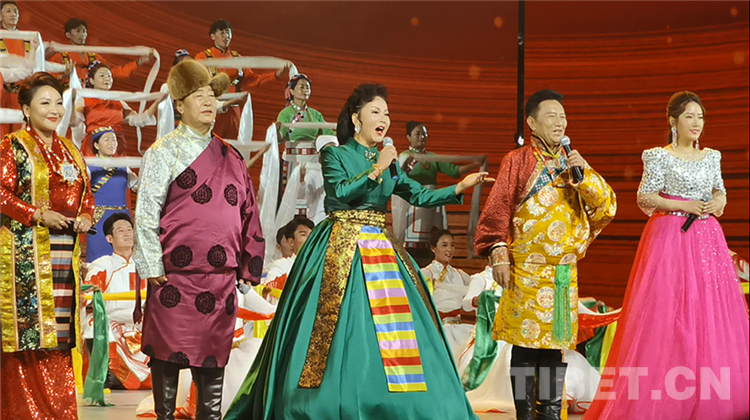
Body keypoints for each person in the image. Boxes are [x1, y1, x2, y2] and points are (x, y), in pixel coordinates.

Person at [224, 83, 492, 420]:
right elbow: (341, 192)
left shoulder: (389, 161)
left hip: (381, 248)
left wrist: (458, 187)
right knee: (334, 326)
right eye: (375, 112)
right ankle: (320, 400)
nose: (384, 119)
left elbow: (418, 195)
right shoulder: (335, 154)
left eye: (387, 114)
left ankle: (394, 399)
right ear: (356, 118)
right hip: (338, 247)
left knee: (394, 326)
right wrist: (378, 168)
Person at [584, 92, 750, 420]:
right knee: (667, 313)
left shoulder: (712, 156)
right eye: (689, 116)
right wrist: (682, 205)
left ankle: (710, 394)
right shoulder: (659, 156)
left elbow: (720, 191)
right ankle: (663, 396)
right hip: (671, 238)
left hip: (707, 239)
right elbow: (645, 197)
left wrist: (718, 203)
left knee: (709, 314)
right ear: (674, 121)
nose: (696, 123)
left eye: (700, 117)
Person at [133, 59, 265, 420]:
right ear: (179, 105)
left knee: (213, 362)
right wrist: (151, 264)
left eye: (211, 96)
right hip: (173, 277)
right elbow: (146, 211)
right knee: (166, 357)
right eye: (198, 96)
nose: (208, 102)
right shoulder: (162, 152)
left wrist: (248, 266)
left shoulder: (232, 156)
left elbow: (249, 213)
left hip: (220, 280)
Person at [475, 89, 616, 420]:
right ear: (532, 123)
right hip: (525, 270)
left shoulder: (573, 163)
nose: (559, 122)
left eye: (563, 117)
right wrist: (498, 254)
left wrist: (585, 176)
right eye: (551, 116)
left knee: (554, 349)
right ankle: (524, 414)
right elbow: (497, 210)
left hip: (562, 273)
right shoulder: (518, 161)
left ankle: (550, 414)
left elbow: (607, 207)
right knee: (525, 348)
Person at [0, 72, 94, 419]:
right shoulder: (11, 146)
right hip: (25, 257)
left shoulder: (70, 149)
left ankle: (61, 412)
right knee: (28, 340)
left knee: (59, 340)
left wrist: (87, 216)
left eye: (58, 103)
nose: (54, 110)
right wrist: (37, 214)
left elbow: (87, 195)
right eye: (45, 103)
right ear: (26, 109)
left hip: (64, 257)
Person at [392, 121, 482, 267]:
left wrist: (475, 164)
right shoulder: (405, 156)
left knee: (430, 242)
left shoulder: (432, 158)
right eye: (417, 134)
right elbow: (397, 175)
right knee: (412, 246)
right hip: (412, 204)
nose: (422, 137)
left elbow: (454, 171)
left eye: (424, 134)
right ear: (408, 137)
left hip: (432, 205)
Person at [84, 213, 150, 390]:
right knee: (94, 324)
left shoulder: (147, 264)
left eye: (130, 229)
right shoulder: (102, 265)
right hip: (113, 322)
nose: (128, 233)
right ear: (109, 238)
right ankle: (103, 376)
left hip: (142, 323)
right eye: (121, 231)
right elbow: (88, 293)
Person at [193, 19, 290, 139]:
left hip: (234, 112)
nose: (226, 36)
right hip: (213, 109)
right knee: (210, 144)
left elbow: (254, 80)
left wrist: (276, 75)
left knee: (234, 146)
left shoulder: (237, 58)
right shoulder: (202, 58)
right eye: (222, 33)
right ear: (212, 36)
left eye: (228, 33)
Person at [276, 74, 335, 224]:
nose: (305, 90)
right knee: (293, 199)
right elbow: (280, 137)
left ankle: (313, 229)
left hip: (313, 162)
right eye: (301, 87)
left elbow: (329, 134)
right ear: (292, 91)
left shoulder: (315, 115)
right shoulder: (286, 114)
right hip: (293, 161)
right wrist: (276, 131)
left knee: (313, 199)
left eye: (307, 87)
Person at [73, 61, 165, 154]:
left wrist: (157, 103)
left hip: (115, 146)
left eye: (109, 76)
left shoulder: (118, 101)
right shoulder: (84, 100)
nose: (106, 79)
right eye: (102, 76)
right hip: (94, 146)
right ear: (92, 80)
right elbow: (74, 121)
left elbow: (138, 120)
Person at [47, 17, 153, 86]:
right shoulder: (60, 57)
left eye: (84, 31)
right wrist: (63, 77)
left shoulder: (94, 57)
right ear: (68, 35)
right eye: (78, 31)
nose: (82, 35)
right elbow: (46, 77)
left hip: (92, 99)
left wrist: (139, 62)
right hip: (69, 98)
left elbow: (115, 72)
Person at [85, 126, 138, 262]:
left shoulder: (123, 166)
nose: (112, 143)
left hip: (122, 218)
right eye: (107, 140)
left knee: (123, 255)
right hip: (100, 218)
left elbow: (137, 187)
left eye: (114, 140)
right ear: (96, 145)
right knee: (98, 258)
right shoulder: (89, 166)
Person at [420, 227, 473, 358]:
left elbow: (476, 289)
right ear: (433, 248)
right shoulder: (426, 273)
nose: (449, 249)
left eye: (452, 245)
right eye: (444, 245)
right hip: (438, 329)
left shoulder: (460, 275)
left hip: (459, 328)